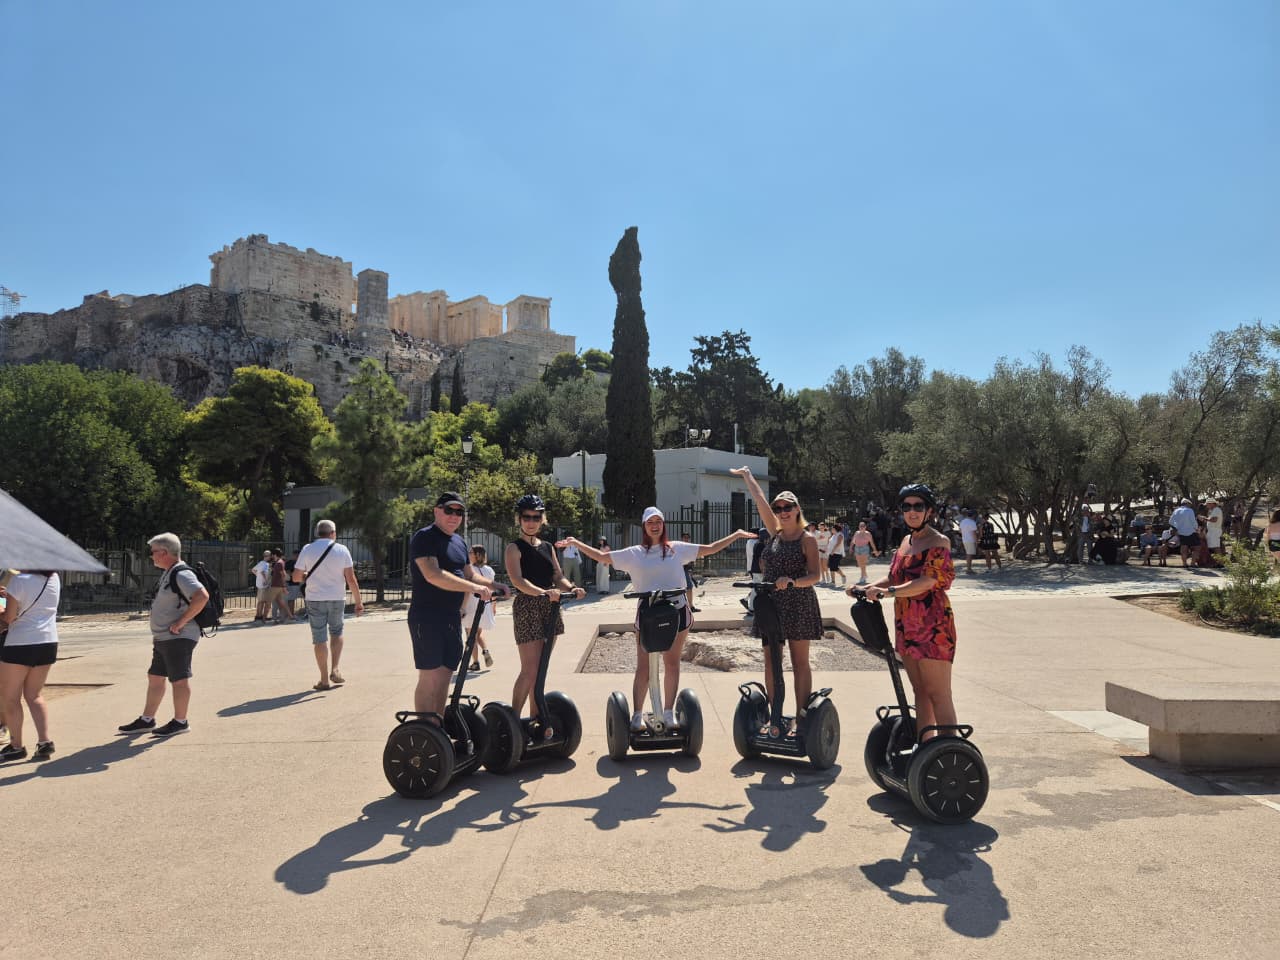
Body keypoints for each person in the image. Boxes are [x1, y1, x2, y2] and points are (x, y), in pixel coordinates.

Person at [560, 510, 755, 731]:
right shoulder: (634, 553)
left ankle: (670, 711)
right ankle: (636, 715)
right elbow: (603, 557)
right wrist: (577, 543)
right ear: (644, 526)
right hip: (648, 612)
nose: (655, 525)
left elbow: (709, 549)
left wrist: (736, 534)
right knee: (644, 666)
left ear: (663, 524)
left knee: (671, 663)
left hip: (677, 611)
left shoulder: (676, 548)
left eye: (659, 521)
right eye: (650, 522)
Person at [850, 483, 958, 743]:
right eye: (907, 506)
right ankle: (925, 747)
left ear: (929, 510)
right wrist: (867, 588)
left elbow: (927, 581)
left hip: (933, 626)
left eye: (918, 506)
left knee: (938, 692)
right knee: (919, 690)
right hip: (906, 625)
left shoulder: (938, 542)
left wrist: (890, 593)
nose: (912, 511)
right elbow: (893, 577)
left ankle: (949, 753)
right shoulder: (905, 541)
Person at [730, 467, 823, 733]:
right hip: (772, 603)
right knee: (771, 660)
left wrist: (792, 581)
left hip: (798, 603)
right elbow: (760, 501)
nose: (782, 512)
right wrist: (748, 476)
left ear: (797, 509)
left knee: (799, 661)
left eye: (787, 507)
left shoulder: (808, 539)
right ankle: (776, 716)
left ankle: (802, 719)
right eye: (779, 508)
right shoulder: (775, 533)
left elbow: (815, 575)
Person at [406, 493, 493, 716]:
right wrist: (474, 588)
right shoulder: (424, 537)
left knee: (445, 675)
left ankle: (438, 726)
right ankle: (426, 730)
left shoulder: (459, 542)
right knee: (430, 675)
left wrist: (495, 584)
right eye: (449, 510)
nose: (454, 516)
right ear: (437, 511)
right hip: (427, 616)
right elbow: (433, 574)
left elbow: (470, 575)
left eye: (459, 512)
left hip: (452, 617)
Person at [117, 533, 209, 738]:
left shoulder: (181, 574)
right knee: (156, 676)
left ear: (165, 552)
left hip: (178, 637)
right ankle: (147, 719)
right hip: (164, 638)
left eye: (154, 552)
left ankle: (180, 721)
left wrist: (181, 622)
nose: (152, 556)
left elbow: (201, 596)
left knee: (179, 679)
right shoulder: (170, 572)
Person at [506, 494, 584, 733]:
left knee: (541, 670)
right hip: (528, 607)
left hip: (550, 607)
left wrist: (571, 588)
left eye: (536, 517)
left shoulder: (548, 547)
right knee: (529, 670)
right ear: (519, 519)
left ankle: (534, 719)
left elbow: (557, 577)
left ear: (542, 519)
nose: (531, 522)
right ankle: (512, 723)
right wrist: (543, 593)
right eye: (527, 517)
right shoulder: (513, 548)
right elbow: (517, 581)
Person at [292, 520, 364, 690]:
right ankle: (335, 669)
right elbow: (351, 579)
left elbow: (295, 577)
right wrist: (359, 602)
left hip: (315, 598)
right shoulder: (342, 550)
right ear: (333, 533)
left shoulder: (307, 549)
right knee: (337, 632)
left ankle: (324, 679)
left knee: (319, 638)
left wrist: (308, 576)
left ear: (318, 533)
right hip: (337, 598)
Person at [0, 570, 60, 761]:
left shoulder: (18, 580)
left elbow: (9, 617)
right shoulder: (54, 577)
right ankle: (44, 742)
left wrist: (7, 599)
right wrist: (10, 595)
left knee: (10, 697)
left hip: (20, 642)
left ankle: (16, 746)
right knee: (34, 695)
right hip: (48, 641)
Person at [463, 544, 502, 672]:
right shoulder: (489, 570)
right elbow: (493, 588)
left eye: (471, 552)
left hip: (471, 603)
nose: (468, 554)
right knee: (478, 633)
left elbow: (467, 590)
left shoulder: (469, 570)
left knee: (470, 636)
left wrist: (462, 607)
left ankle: (475, 662)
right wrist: (493, 605)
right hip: (484, 603)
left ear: (477, 555)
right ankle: (485, 651)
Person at [1169, 498, 1200, 568]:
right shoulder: (1190, 510)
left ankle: (1184, 564)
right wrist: (1197, 528)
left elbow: (1170, 521)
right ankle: (1192, 563)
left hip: (1181, 532)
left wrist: (1176, 528)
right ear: (1187, 504)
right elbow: (1193, 522)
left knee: (1183, 549)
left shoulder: (1176, 511)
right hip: (1191, 532)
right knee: (1197, 548)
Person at [850, 520, 879, 585]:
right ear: (859, 527)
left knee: (863, 563)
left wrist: (875, 550)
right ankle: (864, 574)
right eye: (860, 526)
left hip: (864, 548)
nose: (862, 527)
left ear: (865, 527)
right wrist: (851, 548)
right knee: (859, 563)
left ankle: (862, 577)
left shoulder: (868, 534)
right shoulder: (856, 533)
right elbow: (853, 541)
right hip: (857, 548)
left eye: (863, 526)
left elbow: (871, 543)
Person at [252, 550, 273, 622]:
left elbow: (253, 570)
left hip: (259, 585)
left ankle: (258, 615)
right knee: (263, 601)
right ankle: (260, 616)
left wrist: (258, 577)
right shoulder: (266, 564)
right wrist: (266, 580)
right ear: (268, 556)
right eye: (270, 555)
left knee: (260, 601)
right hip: (264, 585)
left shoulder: (260, 563)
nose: (270, 557)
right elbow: (263, 572)